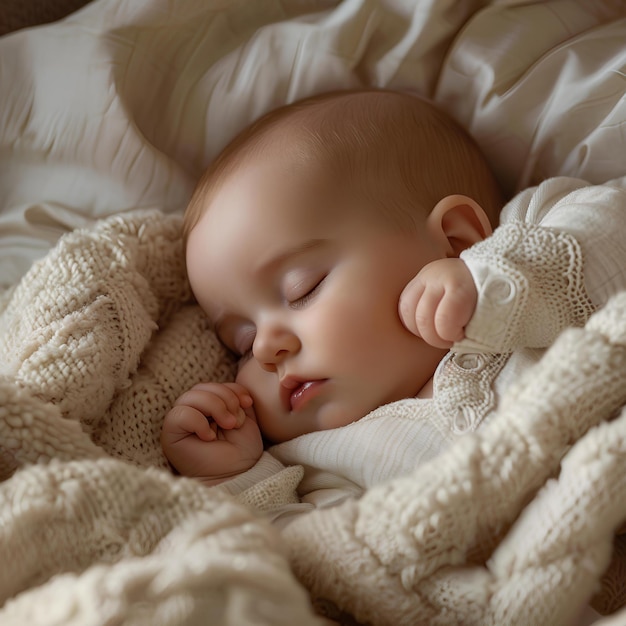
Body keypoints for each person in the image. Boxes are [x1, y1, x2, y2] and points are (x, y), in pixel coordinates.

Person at [161, 88, 626, 524]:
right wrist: (234, 478)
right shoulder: (322, 462)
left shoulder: (527, 252)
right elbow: (319, 566)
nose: (266, 349)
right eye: (240, 343)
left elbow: (611, 231)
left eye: (303, 289)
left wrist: (490, 278)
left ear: (453, 241)